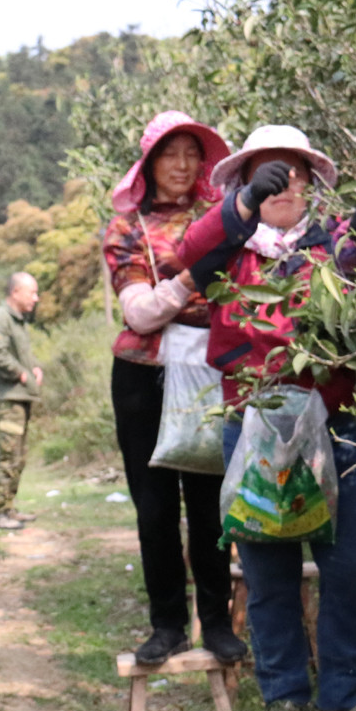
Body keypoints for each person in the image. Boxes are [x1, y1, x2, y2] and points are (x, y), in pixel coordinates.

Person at [177, 125, 356, 711]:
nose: (282, 184)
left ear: (311, 184)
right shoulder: (230, 247)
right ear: (245, 184)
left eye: (292, 172)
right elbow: (191, 251)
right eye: (266, 175)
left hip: (333, 422)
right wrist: (240, 207)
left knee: (351, 561)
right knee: (268, 567)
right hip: (254, 426)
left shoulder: (331, 246)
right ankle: (284, 698)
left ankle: (342, 698)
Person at [101, 111, 245, 665]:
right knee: (155, 506)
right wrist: (193, 279)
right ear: (149, 164)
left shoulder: (226, 216)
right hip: (145, 373)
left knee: (210, 502)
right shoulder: (128, 227)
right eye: (170, 154)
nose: (183, 165)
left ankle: (215, 621)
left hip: (211, 369)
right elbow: (137, 311)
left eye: (192, 153)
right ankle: (166, 624)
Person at [0, 272, 43, 531]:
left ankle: (10, 507)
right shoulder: (0, 318)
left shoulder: (17, 321)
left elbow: (15, 353)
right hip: (7, 400)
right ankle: (0, 512)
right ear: (15, 292)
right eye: (32, 292)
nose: (36, 299)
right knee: (8, 455)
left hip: (19, 398)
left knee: (19, 456)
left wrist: (34, 368)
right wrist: (20, 373)